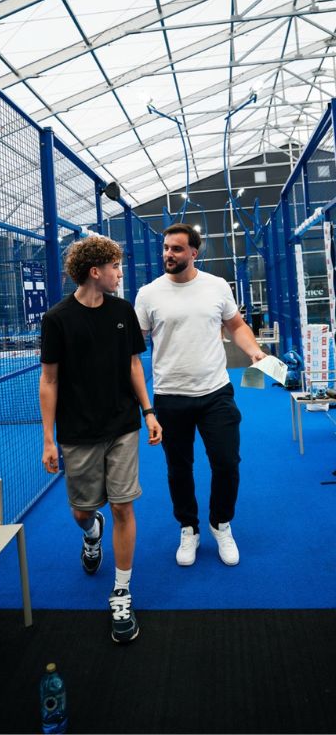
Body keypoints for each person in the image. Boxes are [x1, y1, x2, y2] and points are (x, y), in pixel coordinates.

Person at [39, 235, 161, 644]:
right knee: (81, 512)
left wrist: (148, 411)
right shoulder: (57, 319)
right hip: (78, 433)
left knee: (125, 506)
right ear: (96, 271)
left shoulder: (123, 311)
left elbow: (133, 366)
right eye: (115, 268)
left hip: (123, 425)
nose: (119, 274)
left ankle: (122, 591)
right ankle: (92, 534)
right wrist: (48, 440)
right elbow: (49, 380)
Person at [134, 222, 267, 567]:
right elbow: (132, 347)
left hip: (215, 393)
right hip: (169, 396)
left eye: (176, 249)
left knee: (226, 462)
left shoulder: (217, 286)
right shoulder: (148, 294)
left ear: (194, 253)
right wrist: (145, 406)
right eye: (166, 248)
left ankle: (220, 522)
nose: (168, 254)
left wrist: (254, 351)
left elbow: (235, 325)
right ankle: (189, 527)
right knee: (179, 468)